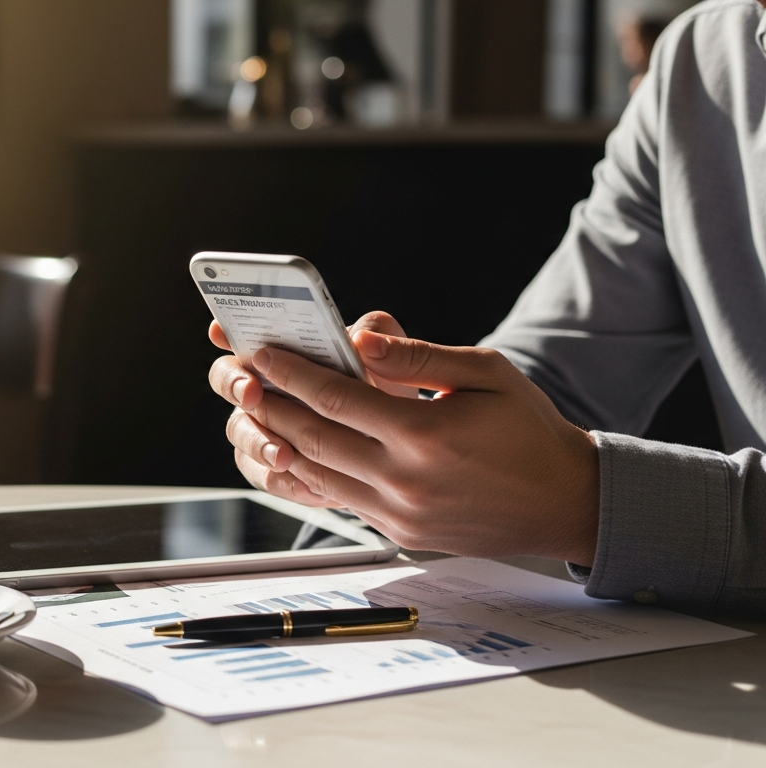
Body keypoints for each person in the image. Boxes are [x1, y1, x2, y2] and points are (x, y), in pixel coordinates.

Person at [208, 0, 766, 612]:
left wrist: (591, 502)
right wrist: (386, 461)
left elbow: (560, 460)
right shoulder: (700, 65)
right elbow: (552, 376)